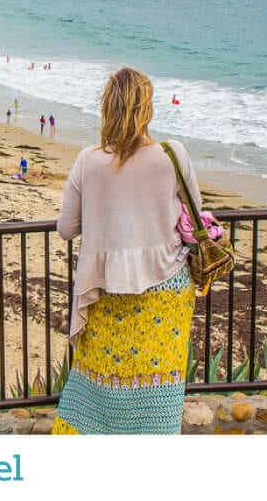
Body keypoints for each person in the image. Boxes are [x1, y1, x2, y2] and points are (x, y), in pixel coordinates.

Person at [52, 67, 200, 436]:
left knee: (98, 389)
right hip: (166, 289)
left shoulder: (88, 159)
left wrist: (108, 216)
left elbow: (66, 228)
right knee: (158, 391)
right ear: (146, 107)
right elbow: (195, 219)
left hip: (106, 287)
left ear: (108, 108)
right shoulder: (173, 153)